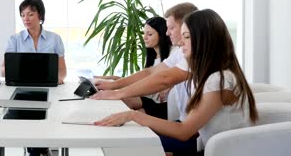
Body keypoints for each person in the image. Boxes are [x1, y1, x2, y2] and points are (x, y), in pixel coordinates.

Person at [95, 9, 258, 155]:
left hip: (213, 149)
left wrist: (133, 115)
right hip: (203, 143)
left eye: (186, 37)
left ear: (203, 40)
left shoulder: (218, 80)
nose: (180, 42)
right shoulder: (209, 70)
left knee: (132, 144)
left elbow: (184, 131)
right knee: (133, 139)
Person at [92, 3, 198, 121]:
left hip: (183, 121)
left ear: (187, 27)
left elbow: (164, 79)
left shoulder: (193, 55)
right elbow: (150, 72)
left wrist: (117, 92)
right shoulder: (180, 52)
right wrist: (113, 86)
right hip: (182, 119)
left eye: (171, 28)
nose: (167, 33)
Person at [1, 0, 67, 84]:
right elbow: (3, 71)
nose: (26, 19)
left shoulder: (55, 38)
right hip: (21, 85)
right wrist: (11, 71)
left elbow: (62, 70)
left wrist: (59, 78)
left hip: (48, 86)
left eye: (30, 14)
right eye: (23, 15)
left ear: (40, 15)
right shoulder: (14, 40)